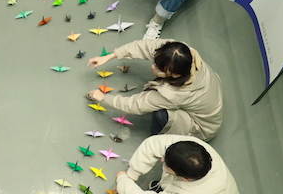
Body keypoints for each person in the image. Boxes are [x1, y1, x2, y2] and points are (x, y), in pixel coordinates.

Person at [85, 39, 223, 140]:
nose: (153, 67)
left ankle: (158, 138)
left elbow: (135, 105)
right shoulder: (181, 52)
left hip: (201, 126)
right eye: (155, 62)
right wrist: (110, 56)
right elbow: (145, 46)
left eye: (159, 69)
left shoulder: (172, 94)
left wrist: (104, 98)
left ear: (175, 75)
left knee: (161, 114)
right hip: (209, 95)